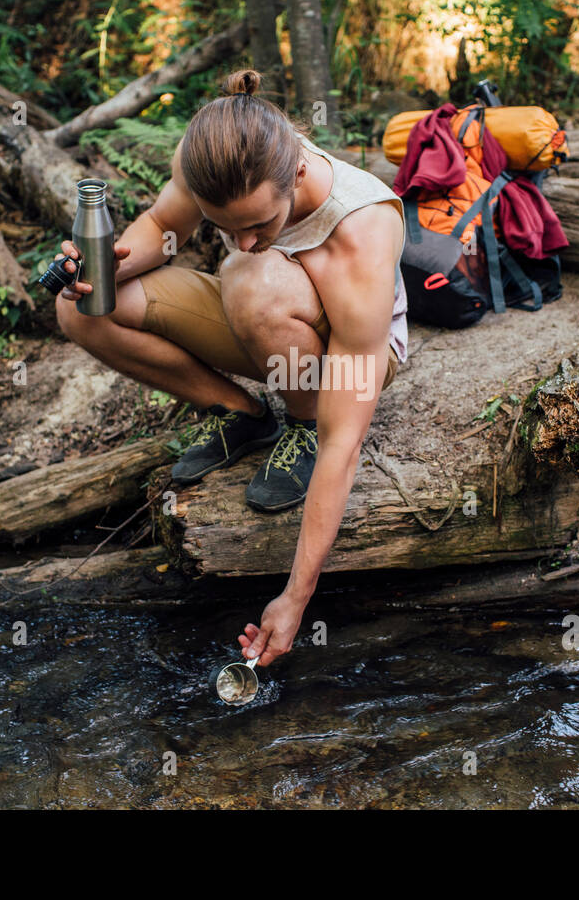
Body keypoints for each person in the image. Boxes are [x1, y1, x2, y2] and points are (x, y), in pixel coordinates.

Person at [54, 69, 408, 668]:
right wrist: (102, 267)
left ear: (297, 170)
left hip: (343, 358)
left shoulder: (363, 227)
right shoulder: (213, 157)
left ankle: (296, 424)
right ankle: (242, 412)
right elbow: (165, 230)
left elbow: (344, 441)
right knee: (84, 310)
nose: (242, 240)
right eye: (227, 227)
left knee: (251, 278)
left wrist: (295, 597)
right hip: (259, 321)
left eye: (260, 225)